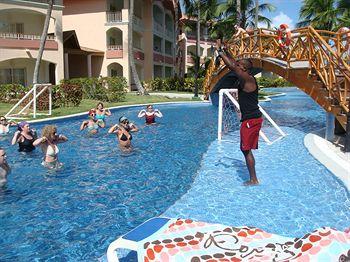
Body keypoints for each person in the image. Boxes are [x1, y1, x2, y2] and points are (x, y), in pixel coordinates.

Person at [216, 39, 263, 186]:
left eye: (239, 66)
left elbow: (231, 66)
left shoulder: (247, 79)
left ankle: (254, 179)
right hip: (253, 118)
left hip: (250, 120)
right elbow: (235, 63)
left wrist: (219, 51)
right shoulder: (247, 76)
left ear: (244, 69)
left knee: (245, 150)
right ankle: (253, 177)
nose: (237, 66)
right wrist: (226, 50)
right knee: (245, 149)